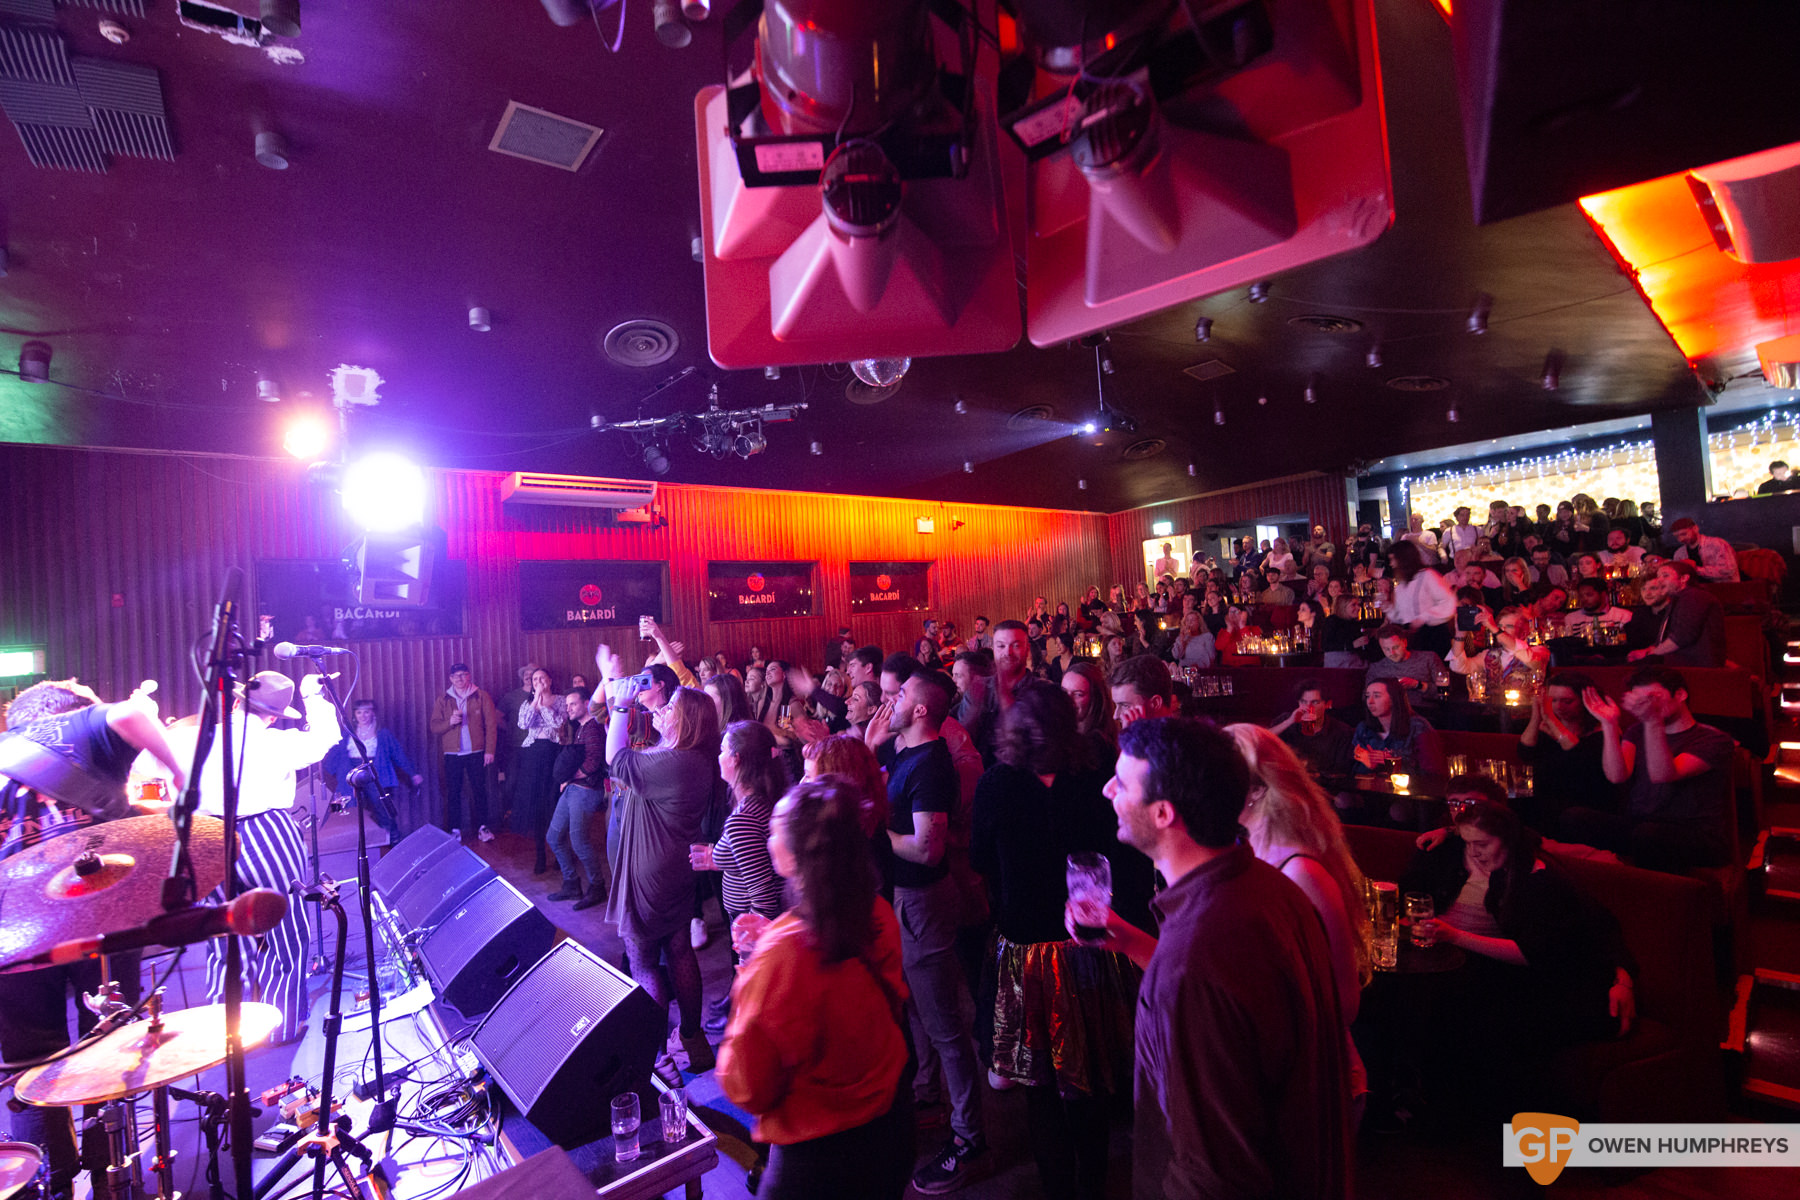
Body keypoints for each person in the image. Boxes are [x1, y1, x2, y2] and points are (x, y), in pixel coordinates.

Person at [1102, 718, 1352, 1198]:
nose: (1108, 788)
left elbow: (1213, 1171)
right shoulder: (1271, 888)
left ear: (1163, 814)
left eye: (1124, 782)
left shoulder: (1196, 960)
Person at [0, 679, 188, 1199]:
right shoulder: (72, 724)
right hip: (96, 917)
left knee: (29, 1064)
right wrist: (180, 775)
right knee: (110, 1044)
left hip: (12, 933)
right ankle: (110, 1177)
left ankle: (52, 1185)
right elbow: (128, 713)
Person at [971, 683, 1147, 1200]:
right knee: (1088, 1084)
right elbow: (1126, 851)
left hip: (1027, 950)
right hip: (1091, 944)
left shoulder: (998, 783)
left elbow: (981, 860)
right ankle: (1092, 1187)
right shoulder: (1094, 774)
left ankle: (1056, 1190)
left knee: (1041, 1090)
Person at [716, 780, 914, 1200]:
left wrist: (752, 977)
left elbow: (746, 1085)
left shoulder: (780, 956)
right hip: (890, 1130)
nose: (768, 837)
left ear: (797, 853)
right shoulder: (875, 912)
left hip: (818, 1161)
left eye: (774, 829)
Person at [1403, 802, 1637, 1092]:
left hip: (1578, 990)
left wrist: (1623, 979)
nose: (1474, 853)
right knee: (1449, 1001)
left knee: (1480, 1016)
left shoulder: (1541, 880)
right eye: (1467, 844)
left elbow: (1540, 953)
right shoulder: (1505, 872)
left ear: (1508, 839)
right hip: (1541, 978)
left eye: (1482, 844)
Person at [863, 668, 988, 1192]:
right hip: (905, 899)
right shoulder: (902, 753)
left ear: (919, 711)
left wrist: (876, 830)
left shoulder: (932, 766)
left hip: (924, 901)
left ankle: (969, 1138)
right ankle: (930, 1095)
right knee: (916, 1005)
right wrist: (870, 750)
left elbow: (927, 848)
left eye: (900, 695)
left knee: (945, 1025)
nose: (889, 700)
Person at [1226, 724, 1373, 1117]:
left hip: (1313, 1081)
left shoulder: (1299, 871)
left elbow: (1344, 1002)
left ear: (1258, 789)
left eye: (1220, 772)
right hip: (1276, 1074)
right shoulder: (1250, 852)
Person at [596, 644, 721, 1080]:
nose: (665, 710)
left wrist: (621, 705)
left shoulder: (674, 761)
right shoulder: (695, 759)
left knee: (644, 958)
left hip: (650, 870)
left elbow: (616, 759)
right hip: (675, 867)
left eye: (672, 707)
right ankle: (692, 1038)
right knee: (680, 949)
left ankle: (651, 1053)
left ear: (685, 721)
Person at [199, 668, 340, 1044]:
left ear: (239, 701)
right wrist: (313, 695)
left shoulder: (202, 736)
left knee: (226, 937)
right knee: (287, 935)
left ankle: (223, 1034)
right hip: (265, 834)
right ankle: (281, 1026)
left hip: (207, 838)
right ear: (275, 716)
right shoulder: (276, 743)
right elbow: (328, 738)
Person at [1563, 665, 1735, 872]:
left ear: (1680, 694)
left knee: (1648, 835)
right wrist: (1608, 724)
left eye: (1653, 697)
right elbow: (1617, 776)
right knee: (1574, 818)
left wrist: (1652, 721)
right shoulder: (1637, 731)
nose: (1646, 705)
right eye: (1640, 699)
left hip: (1695, 833)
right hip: (1641, 823)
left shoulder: (1713, 739)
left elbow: (1664, 774)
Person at [692, 721, 787, 946]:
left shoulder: (743, 820)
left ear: (736, 759)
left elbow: (763, 898)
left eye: (723, 750)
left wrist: (749, 947)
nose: (718, 756)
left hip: (752, 926)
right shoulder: (765, 798)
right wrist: (717, 858)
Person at [1515, 673, 1612, 835]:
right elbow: (1525, 753)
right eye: (1553, 701)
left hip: (1584, 803)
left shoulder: (1602, 730)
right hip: (1546, 798)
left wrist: (1552, 721)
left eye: (1567, 701)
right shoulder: (1545, 728)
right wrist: (1536, 715)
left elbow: (1579, 758)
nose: (1559, 707)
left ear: (1583, 701)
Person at [322, 698, 421, 843]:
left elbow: (398, 754)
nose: (363, 716)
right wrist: (325, 773)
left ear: (373, 714)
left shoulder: (382, 733)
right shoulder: (347, 732)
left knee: (382, 807)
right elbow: (334, 756)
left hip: (375, 774)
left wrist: (412, 773)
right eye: (359, 712)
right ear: (354, 715)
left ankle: (393, 840)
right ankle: (352, 842)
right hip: (351, 774)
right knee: (348, 808)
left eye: (366, 712)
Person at [546, 688, 609, 908]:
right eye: (567, 704)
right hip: (575, 787)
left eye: (573, 704)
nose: (568, 708)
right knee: (554, 837)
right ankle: (572, 884)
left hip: (586, 791)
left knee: (579, 841)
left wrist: (569, 776)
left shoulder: (592, 729)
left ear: (586, 704)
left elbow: (593, 764)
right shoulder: (582, 728)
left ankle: (597, 886)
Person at [428, 663, 498, 837]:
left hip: (477, 751)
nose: (460, 679)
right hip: (452, 753)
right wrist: (449, 723)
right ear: (450, 679)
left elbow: (491, 725)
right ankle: (455, 829)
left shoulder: (481, 696)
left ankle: (483, 827)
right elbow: (434, 727)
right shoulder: (443, 699)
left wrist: (489, 750)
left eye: (463, 674)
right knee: (453, 791)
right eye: (456, 676)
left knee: (479, 789)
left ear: (469, 676)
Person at [514, 666, 564, 870]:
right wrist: (536, 700)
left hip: (554, 753)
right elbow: (524, 724)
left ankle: (561, 855)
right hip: (533, 755)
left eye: (542, 678)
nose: (538, 682)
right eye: (534, 680)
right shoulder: (527, 703)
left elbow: (557, 723)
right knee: (536, 804)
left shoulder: (560, 700)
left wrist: (543, 701)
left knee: (553, 802)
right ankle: (540, 855)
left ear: (550, 681)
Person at [1630, 561, 1726, 667]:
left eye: (1665, 576)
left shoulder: (1694, 597)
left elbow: (1681, 637)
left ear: (1683, 579)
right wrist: (1647, 650)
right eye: (1658, 576)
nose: (1659, 580)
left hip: (1694, 667)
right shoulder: (1678, 599)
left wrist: (1651, 654)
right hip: (1679, 662)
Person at [1352, 677, 1445, 778]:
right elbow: (1352, 773)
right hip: (1370, 790)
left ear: (1394, 699)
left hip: (1412, 790)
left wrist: (1393, 762)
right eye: (1367, 696)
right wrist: (1369, 765)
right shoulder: (1364, 729)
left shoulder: (1418, 726)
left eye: (1377, 696)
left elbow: (1433, 771)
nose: (1370, 701)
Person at [1268, 679, 1355, 778]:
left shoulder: (1342, 731)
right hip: (1289, 782)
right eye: (1303, 702)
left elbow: (1341, 772)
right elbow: (1259, 739)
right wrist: (1289, 722)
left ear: (1327, 704)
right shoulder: (1286, 720)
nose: (1308, 707)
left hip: (1323, 786)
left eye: (1315, 702)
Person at [1384, 540, 1456, 655]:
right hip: (1412, 637)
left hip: (1432, 635)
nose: (1391, 564)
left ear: (1404, 559)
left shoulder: (1428, 575)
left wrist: (1424, 617)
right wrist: (1388, 608)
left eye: (1393, 559)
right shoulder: (1401, 585)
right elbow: (1401, 616)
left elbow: (1448, 601)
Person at [1364, 623, 1449, 693]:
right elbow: (1366, 697)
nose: (1392, 653)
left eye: (1395, 647)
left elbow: (1446, 692)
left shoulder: (1429, 658)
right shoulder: (1376, 668)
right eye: (1386, 649)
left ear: (1404, 642)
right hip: (1391, 711)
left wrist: (1418, 685)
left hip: (1423, 709)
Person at [1061, 661, 1117, 759]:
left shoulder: (1097, 744)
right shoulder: (1067, 732)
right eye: (1064, 692)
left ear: (1095, 699)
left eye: (1078, 694)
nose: (1068, 699)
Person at [1667, 516, 1740, 582]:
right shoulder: (1679, 553)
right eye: (1677, 537)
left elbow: (1728, 570)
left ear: (1695, 528)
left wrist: (1695, 570)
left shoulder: (1717, 544)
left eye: (1684, 534)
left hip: (1724, 588)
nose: (1681, 539)